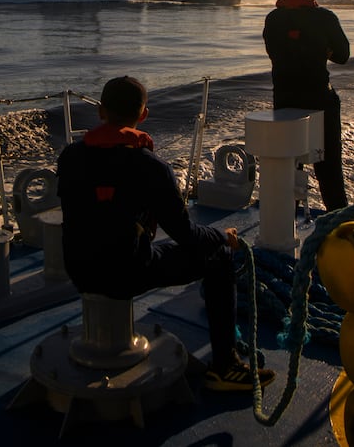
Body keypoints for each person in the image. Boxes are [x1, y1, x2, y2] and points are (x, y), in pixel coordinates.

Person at [57, 76, 275, 391]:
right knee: (219, 257)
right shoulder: (151, 167)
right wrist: (221, 236)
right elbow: (185, 234)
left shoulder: (70, 157)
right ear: (143, 115)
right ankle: (225, 367)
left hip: (77, 268)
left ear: (101, 111)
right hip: (127, 273)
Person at [263, 0, 351, 211]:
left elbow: (275, 53)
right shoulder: (325, 18)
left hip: (285, 101)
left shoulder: (273, 19)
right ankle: (337, 221)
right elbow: (343, 56)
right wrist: (323, 48)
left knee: (287, 167)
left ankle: (283, 221)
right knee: (329, 168)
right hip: (320, 101)